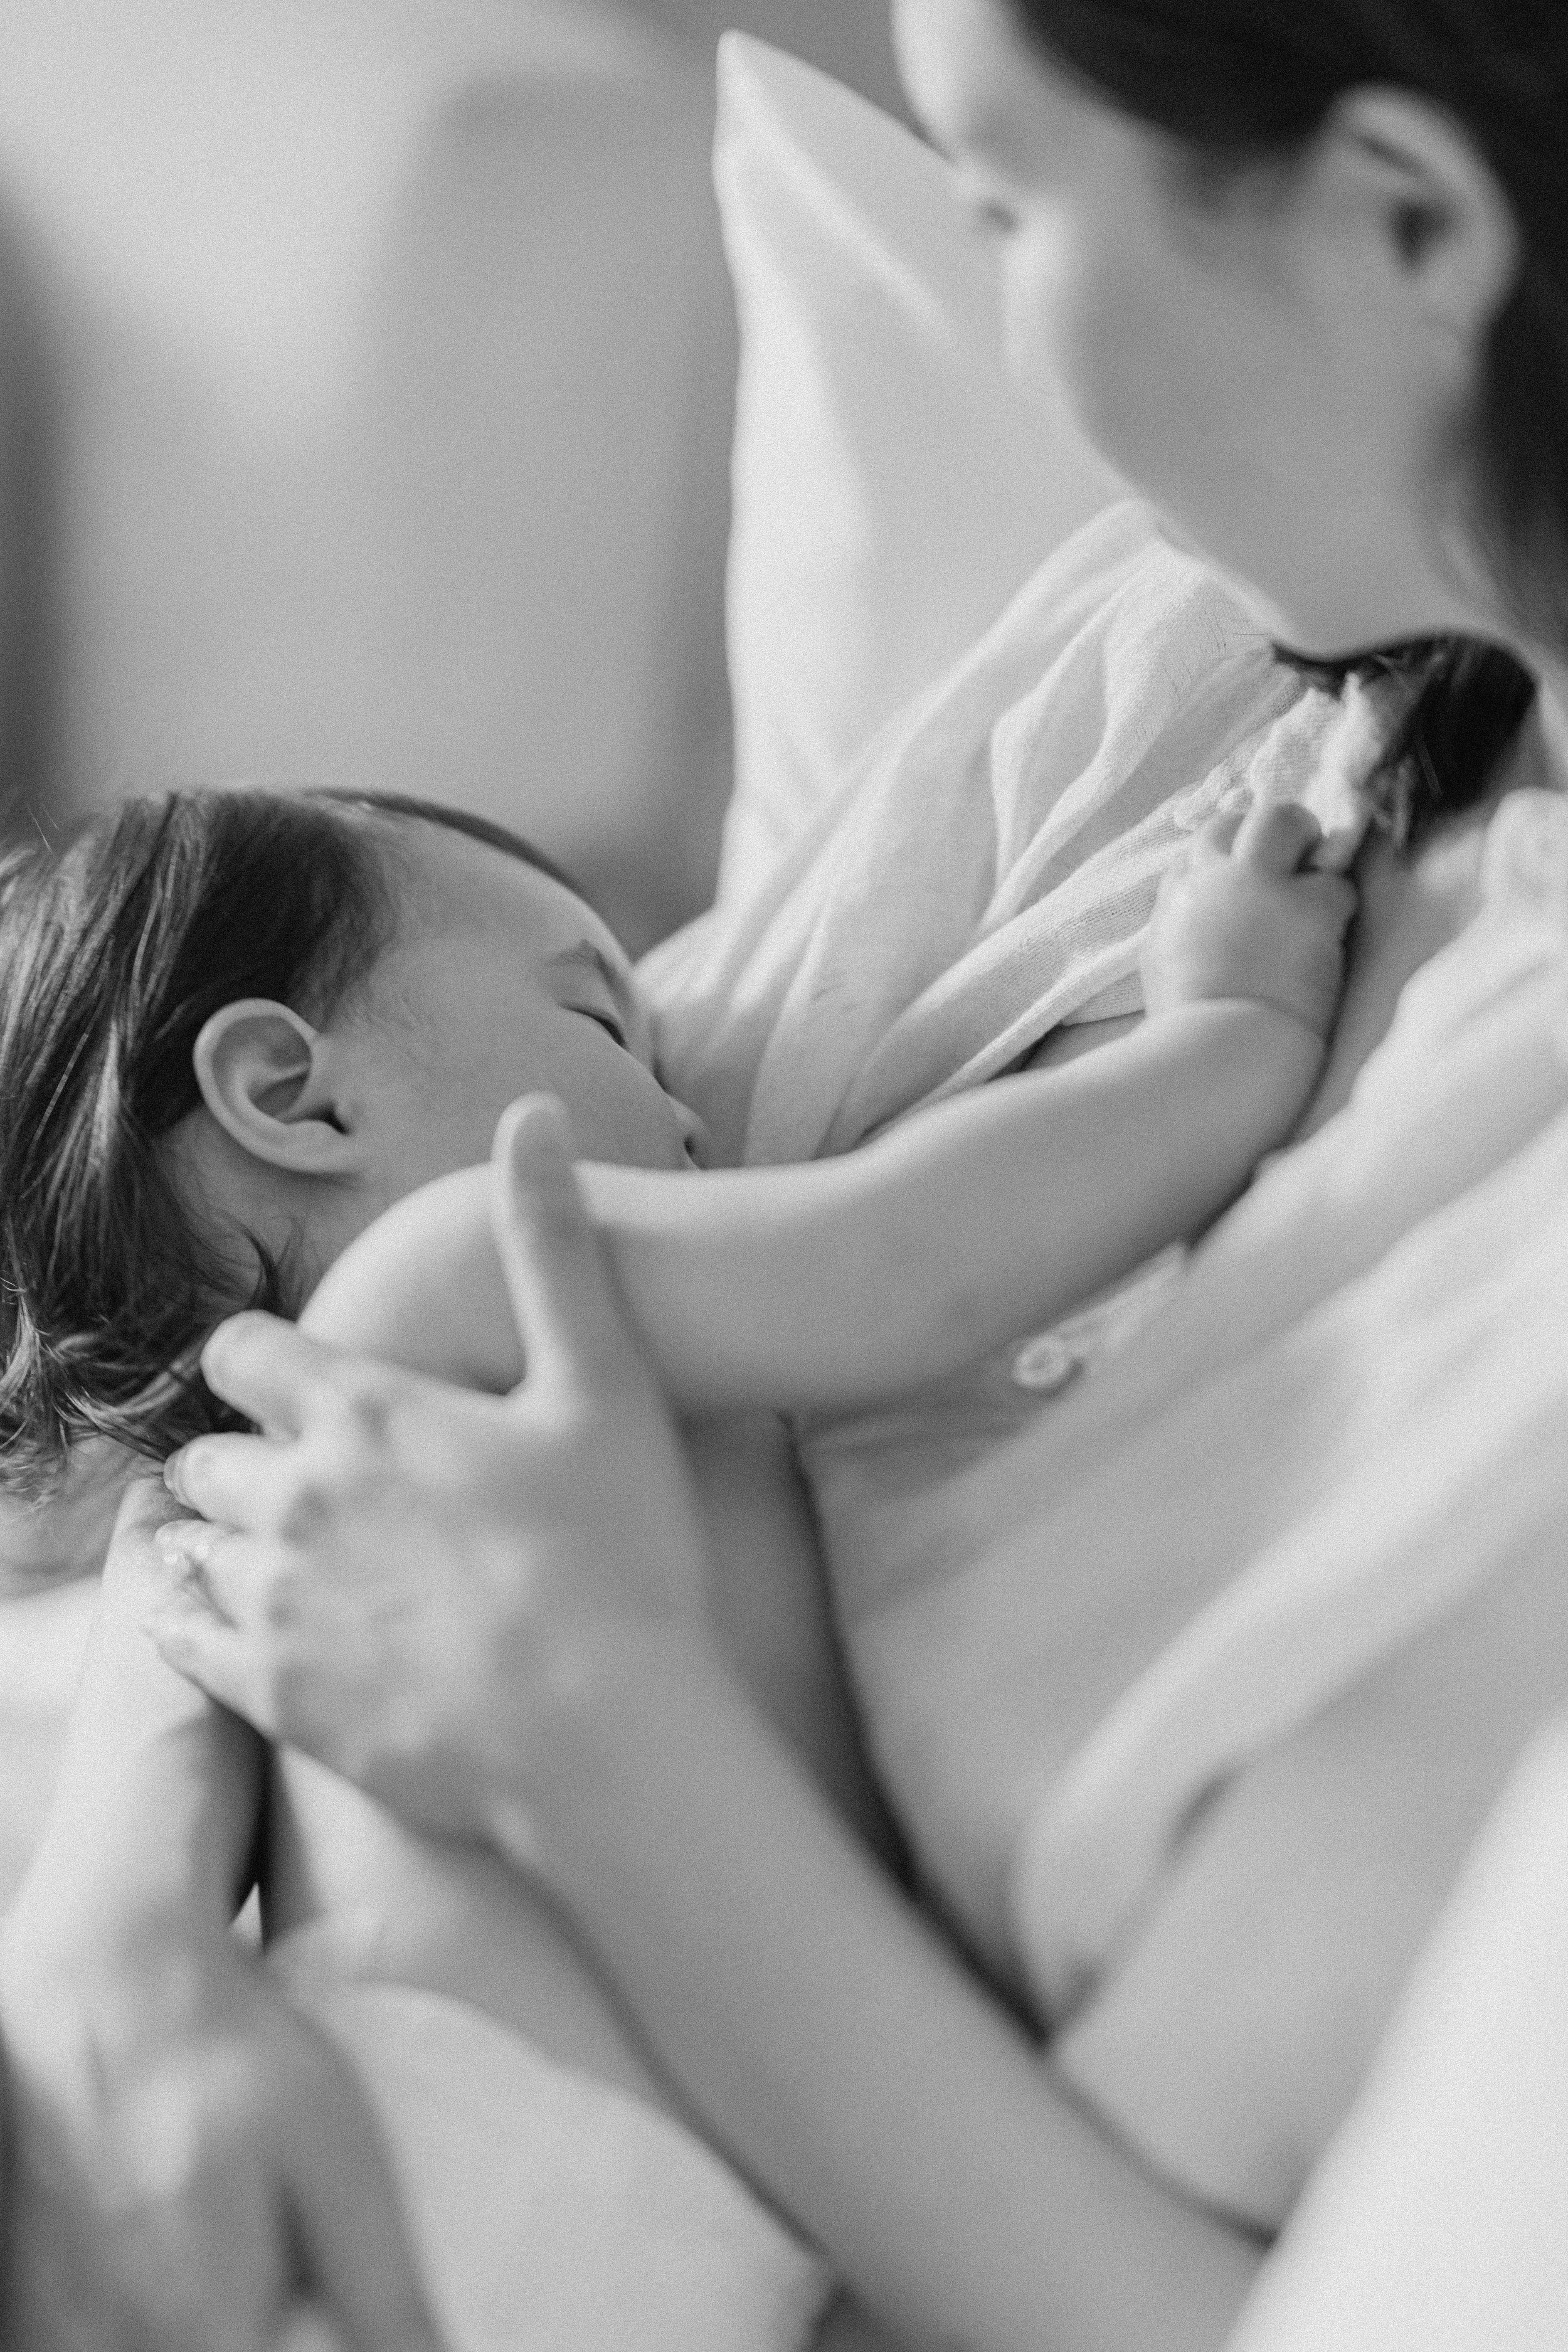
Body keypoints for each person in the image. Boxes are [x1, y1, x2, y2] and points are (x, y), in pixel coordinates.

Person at [115, 0, 1568, 2344]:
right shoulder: (1215, 654)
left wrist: (594, 1743)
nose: (675, 1076)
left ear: (1417, 221)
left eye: (1000, 194)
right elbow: (857, 1272)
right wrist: (124, 1920)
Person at [0, 765, 1353, 2351]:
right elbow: (902, 1266)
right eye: (599, 1027)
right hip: (486, 2164)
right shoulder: (450, 1272)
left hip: (517, 2188)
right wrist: (1225, 1036)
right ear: (294, 1098)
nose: (695, 1104)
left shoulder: (286, 1465)